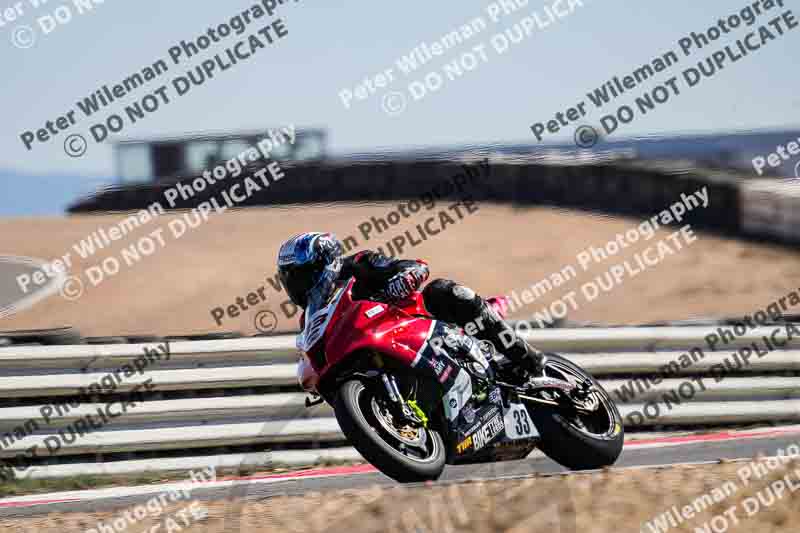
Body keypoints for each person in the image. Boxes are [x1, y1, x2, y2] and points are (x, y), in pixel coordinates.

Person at [277, 231, 545, 375]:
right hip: (379, 352)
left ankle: (527, 358)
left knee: (445, 291)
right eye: (291, 279)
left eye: (302, 275)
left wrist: (399, 282)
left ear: (323, 263)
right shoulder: (311, 319)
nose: (297, 285)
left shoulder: (359, 265)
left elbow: (415, 267)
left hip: (420, 322)